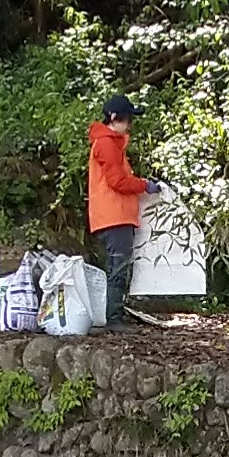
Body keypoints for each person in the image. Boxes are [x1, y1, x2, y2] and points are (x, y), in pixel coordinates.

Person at [88, 94, 151, 328]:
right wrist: (145, 185)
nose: (130, 125)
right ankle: (113, 319)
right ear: (114, 118)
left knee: (121, 267)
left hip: (116, 216)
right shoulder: (105, 143)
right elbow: (118, 182)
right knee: (119, 269)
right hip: (113, 217)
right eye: (127, 120)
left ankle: (117, 315)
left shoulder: (111, 143)